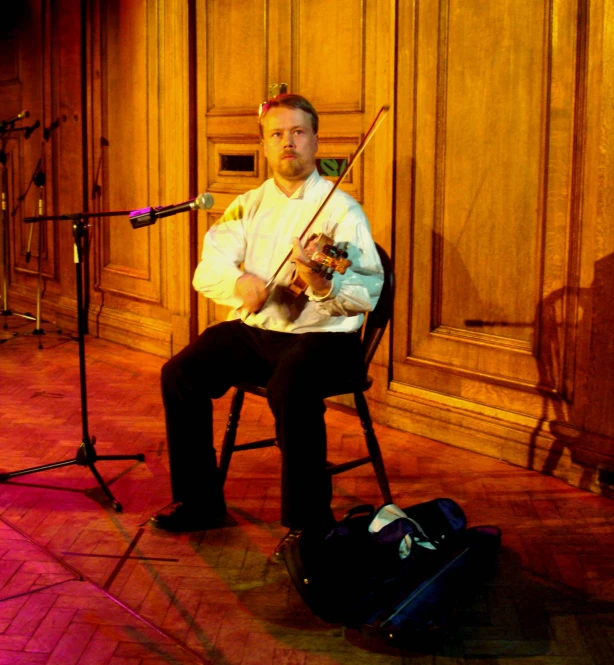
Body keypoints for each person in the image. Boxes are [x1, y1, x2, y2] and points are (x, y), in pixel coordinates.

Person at [150, 93, 383, 560]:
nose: (288, 142)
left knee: (291, 383)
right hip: (260, 330)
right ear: (264, 145)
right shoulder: (246, 205)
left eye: (298, 132)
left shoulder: (343, 210)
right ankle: (200, 501)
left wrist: (321, 282)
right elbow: (206, 269)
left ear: (315, 141)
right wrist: (240, 283)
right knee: (180, 373)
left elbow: (367, 292)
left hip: (326, 338)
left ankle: (309, 524)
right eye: (277, 134)